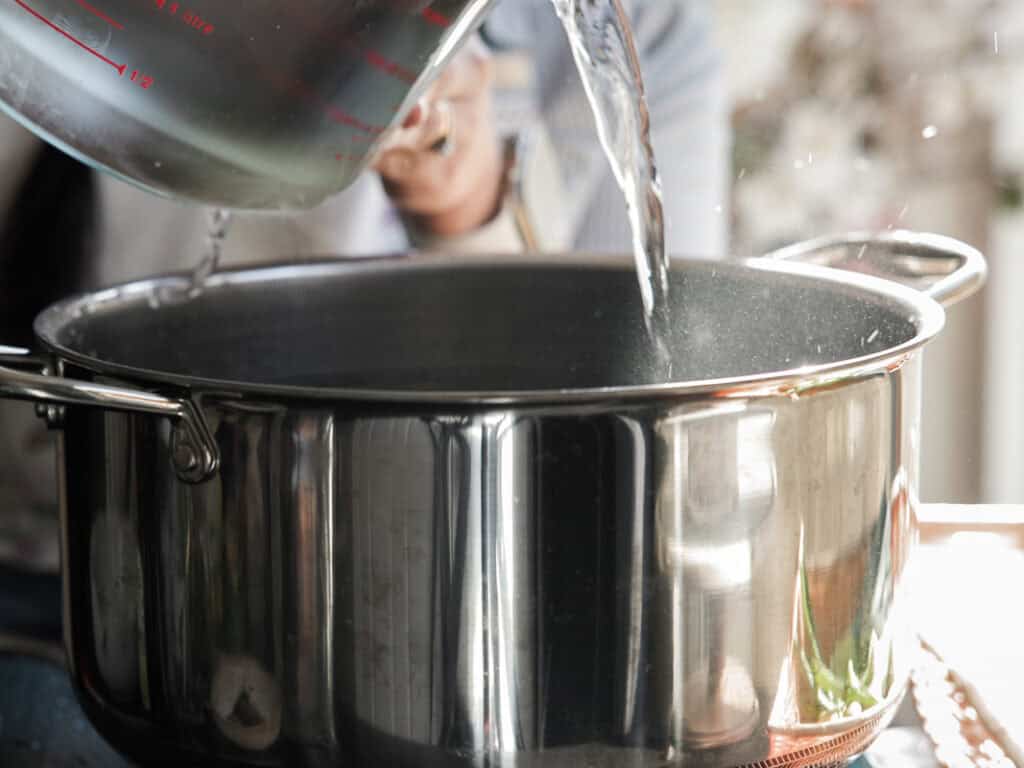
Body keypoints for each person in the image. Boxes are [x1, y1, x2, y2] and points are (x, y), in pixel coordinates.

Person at [0, 0, 730, 573]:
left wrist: (463, 206)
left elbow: (635, 434)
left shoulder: (640, 37)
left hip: (417, 582)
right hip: (58, 545)